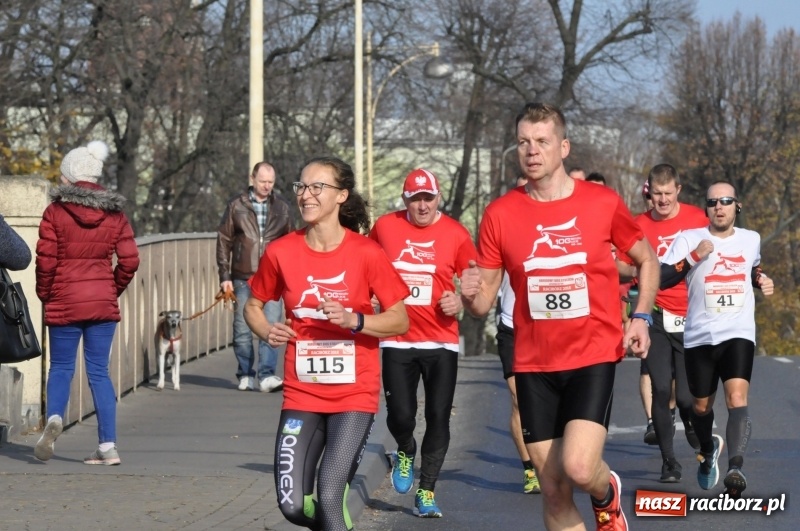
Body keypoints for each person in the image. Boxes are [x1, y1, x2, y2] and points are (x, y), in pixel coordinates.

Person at [460, 102, 659, 531]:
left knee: (580, 468)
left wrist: (641, 316)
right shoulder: (499, 214)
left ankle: (608, 494)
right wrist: (470, 295)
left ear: (563, 147)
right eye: (523, 143)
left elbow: (647, 260)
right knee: (552, 488)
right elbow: (483, 304)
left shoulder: (602, 203)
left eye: (542, 141)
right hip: (534, 363)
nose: (532, 151)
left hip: (591, 355)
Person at [244, 156, 409, 531]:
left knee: (331, 494)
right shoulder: (281, 252)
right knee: (290, 505)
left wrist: (356, 320)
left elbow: (400, 318)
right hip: (302, 394)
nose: (306, 195)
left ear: (341, 196)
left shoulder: (367, 253)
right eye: (301, 187)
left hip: (354, 394)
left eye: (317, 187)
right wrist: (265, 329)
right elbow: (253, 305)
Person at [369, 168, 476, 518]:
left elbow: (475, 280)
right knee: (401, 415)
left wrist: (460, 300)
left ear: (438, 198)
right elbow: (363, 264)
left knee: (438, 417)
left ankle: (426, 491)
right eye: (415, 198)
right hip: (396, 339)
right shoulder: (385, 227)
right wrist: (368, 299)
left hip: (441, 341)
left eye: (428, 197)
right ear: (405, 200)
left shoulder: (457, 234)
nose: (422, 205)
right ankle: (404, 447)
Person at [661, 181, 773, 498]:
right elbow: (663, 276)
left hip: (738, 333)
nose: (719, 207)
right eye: (712, 203)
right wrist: (694, 257)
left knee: (737, 399)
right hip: (698, 336)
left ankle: (736, 467)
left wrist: (761, 279)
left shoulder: (751, 239)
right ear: (707, 208)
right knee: (700, 407)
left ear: (737, 205)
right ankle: (709, 449)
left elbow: (753, 267)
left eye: (725, 201)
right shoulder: (689, 238)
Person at [33, 140, 140, 465]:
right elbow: (130, 260)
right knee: (98, 372)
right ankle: (107, 447)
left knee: (62, 368)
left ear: (69, 176)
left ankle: (54, 417)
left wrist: (45, 293)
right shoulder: (115, 213)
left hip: (64, 300)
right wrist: (111, 288)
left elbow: (46, 261)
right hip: (101, 303)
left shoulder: (55, 212)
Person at [617, 164, 706, 483]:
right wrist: (631, 290)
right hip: (654, 314)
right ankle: (669, 462)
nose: (663, 200)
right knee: (658, 387)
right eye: (657, 194)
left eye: (668, 193)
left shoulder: (698, 219)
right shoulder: (637, 224)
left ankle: (693, 423)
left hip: (693, 315)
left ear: (678, 190)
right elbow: (620, 267)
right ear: (649, 192)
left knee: (685, 397)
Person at [216, 162, 293, 392]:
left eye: (271, 182)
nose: (267, 186)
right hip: (241, 276)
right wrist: (224, 274)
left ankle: (267, 375)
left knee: (271, 327)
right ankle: (246, 373)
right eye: (262, 181)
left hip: (271, 276)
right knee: (242, 328)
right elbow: (224, 240)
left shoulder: (282, 207)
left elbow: (291, 241)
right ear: (253, 178)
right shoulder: (236, 205)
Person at [495, 176, 541, 495]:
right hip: (512, 325)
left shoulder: (555, 223)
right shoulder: (503, 224)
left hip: (549, 325)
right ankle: (529, 470)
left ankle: (552, 458)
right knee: (518, 399)